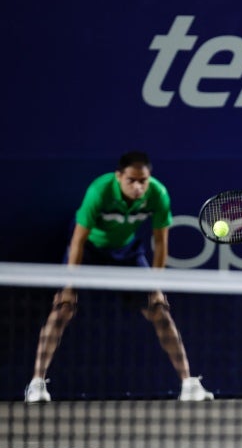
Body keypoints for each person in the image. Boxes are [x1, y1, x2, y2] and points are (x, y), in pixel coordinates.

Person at [24, 151, 214, 403]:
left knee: (159, 309)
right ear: (119, 177)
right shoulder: (99, 191)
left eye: (143, 181)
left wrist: (156, 287)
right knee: (63, 308)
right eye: (132, 180)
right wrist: (69, 285)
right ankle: (36, 384)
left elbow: (160, 242)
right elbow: (78, 240)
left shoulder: (158, 194)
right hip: (89, 249)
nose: (138, 186)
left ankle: (189, 384)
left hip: (127, 253)